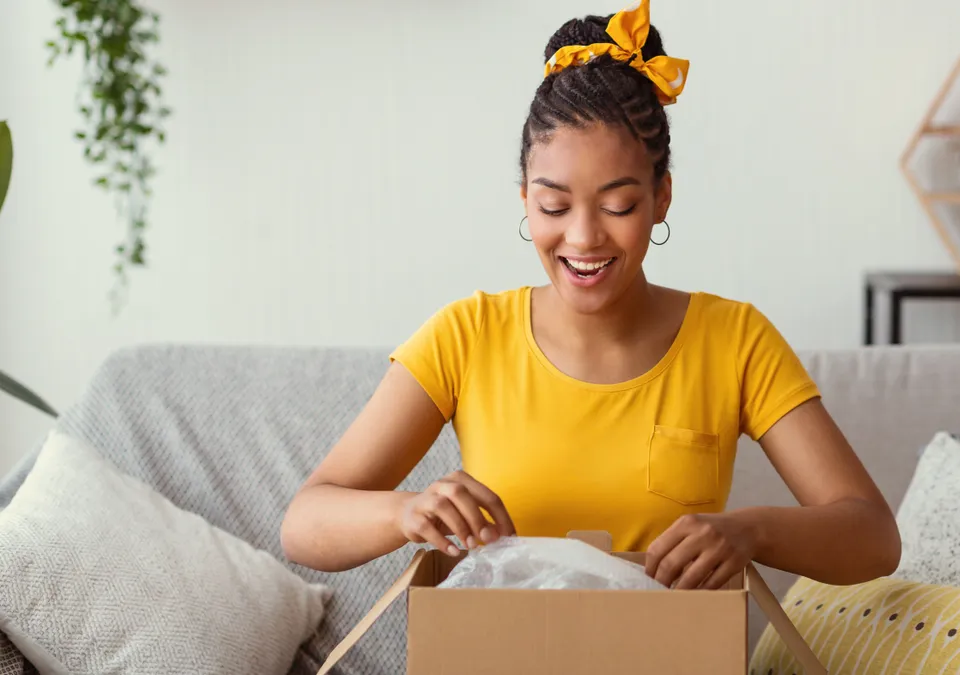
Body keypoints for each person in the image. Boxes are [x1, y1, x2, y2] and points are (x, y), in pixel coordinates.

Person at [280, 0, 900, 591]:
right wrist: (407, 512)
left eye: (618, 205)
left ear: (662, 199)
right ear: (525, 198)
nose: (583, 238)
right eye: (554, 205)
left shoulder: (736, 340)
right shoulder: (465, 335)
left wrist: (752, 530)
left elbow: (873, 537)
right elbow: (304, 524)